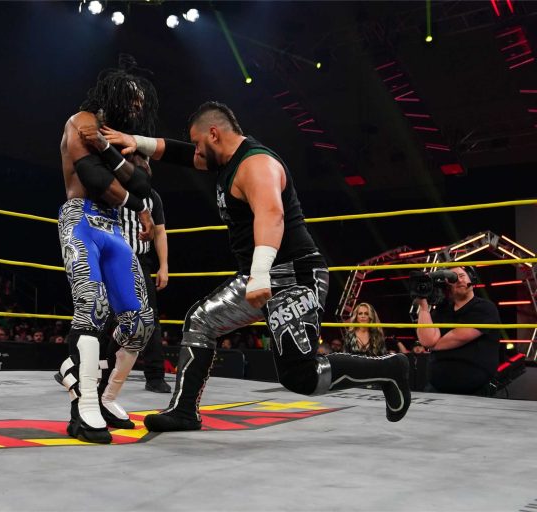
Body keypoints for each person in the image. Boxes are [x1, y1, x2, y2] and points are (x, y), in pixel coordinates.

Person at [103, 101, 411, 432]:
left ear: (214, 134)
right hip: (260, 274)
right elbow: (182, 154)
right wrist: (137, 141)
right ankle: (184, 411)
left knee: (301, 377)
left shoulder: (256, 164)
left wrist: (261, 274)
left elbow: (272, 215)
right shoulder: (226, 160)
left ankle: (389, 368)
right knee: (201, 321)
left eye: (198, 143)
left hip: (295, 276)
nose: (196, 151)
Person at [54, 56, 158, 443]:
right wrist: (133, 194)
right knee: (93, 306)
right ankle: (83, 407)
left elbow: (143, 185)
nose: (137, 108)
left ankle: (105, 395)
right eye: (132, 101)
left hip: (113, 227)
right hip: (81, 218)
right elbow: (95, 179)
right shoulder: (80, 122)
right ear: (113, 97)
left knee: (140, 322)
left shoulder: (126, 140)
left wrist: (111, 152)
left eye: (141, 103)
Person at [118, 187, 171, 393]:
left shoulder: (153, 196)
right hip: (112, 258)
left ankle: (155, 376)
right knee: (101, 314)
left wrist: (164, 266)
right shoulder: (112, 189)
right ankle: (78, 366)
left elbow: (160, 231)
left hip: (140, 261)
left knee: (150, 317)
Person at [416, 266, 501, 395]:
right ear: (447, 286)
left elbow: (457, 338)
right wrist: (423, 306)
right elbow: (427, 340)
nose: (459, 280)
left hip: (474, 391)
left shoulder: (485, 308)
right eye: (453, 278)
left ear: (471, 279)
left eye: (461, 276)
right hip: (436, 389)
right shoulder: (441, 311)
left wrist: (433, 345)